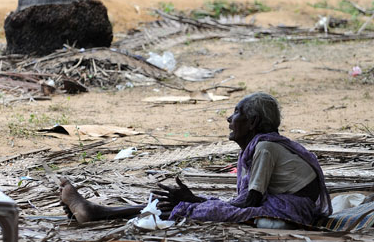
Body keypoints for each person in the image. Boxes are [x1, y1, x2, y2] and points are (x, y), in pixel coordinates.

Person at [60, 92, 331, 227]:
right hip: (285, 204)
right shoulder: (263, 146)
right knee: (196, 205)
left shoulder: (265, 148)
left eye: (236, 113)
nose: (229, 119)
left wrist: (197, 201)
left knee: (201, 210)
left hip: (293, 210)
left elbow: (250, 201)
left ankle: (98, 213)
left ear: (253, 122)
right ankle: (98, 212)